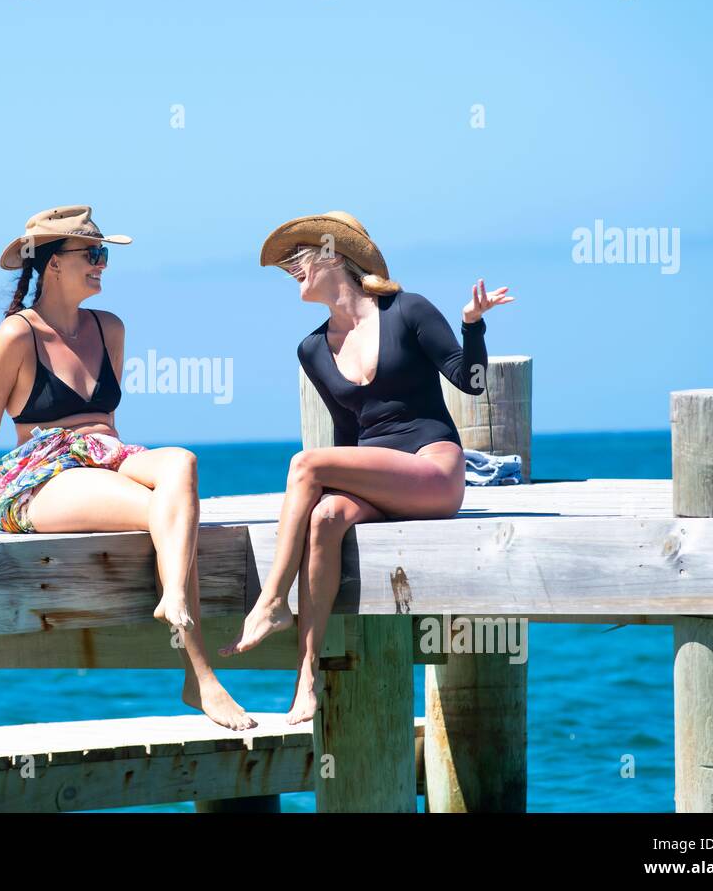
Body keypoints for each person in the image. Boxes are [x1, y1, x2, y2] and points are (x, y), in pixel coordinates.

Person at [0, 205, 255, 730]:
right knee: (166, 513)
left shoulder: (110, 328)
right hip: (39, 476)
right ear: (53, 264)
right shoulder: (17, 336)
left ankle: (173, 596)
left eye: (103, 254)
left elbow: (107, 421)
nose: (102, 264)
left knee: (182, 463)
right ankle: (199, 674)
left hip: (104, 456)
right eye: (92, 254)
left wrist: (117, 460)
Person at [220, 211, 514, 724]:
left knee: (306, 464)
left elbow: (469, 382)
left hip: (432, 470)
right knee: (325, 517)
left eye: (298, 256)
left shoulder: (408, 311)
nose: (289, 268)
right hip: (376, 474)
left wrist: (472, 324)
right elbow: (346, 435)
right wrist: (331, 492)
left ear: (333, 255)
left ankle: (270, 601)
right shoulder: (312, 349)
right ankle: (306, 678)